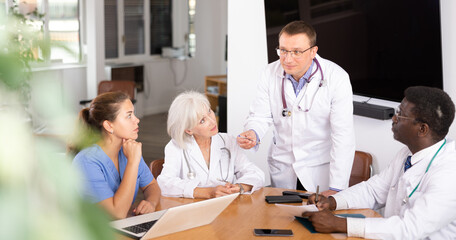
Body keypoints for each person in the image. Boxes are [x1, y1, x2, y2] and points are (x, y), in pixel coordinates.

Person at [304, 86, 456, 239]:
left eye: (401, 115)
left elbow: (410, 228)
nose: (394, 118)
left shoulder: (449, 173)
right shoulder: (407, 153)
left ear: (422, 129)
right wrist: (332, 202)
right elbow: (373, 191)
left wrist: (340, 224)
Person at [237, 20, 355, 196]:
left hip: (319, 169)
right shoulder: (269, 73)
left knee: (316, 219)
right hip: (283, 166)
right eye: (283, 50)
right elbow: (259, 116)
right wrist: (253, 132)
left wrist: (337, 187)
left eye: (297, 52)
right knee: (282, 219)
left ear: (313, 51)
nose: (287, 58)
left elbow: (343, 135)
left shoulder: (337, 78)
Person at [157, 91, 265, 199]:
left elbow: (256, 173)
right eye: (202, 121)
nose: (212, 121)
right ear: (189, 130)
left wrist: (239, 187)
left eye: (209, 112)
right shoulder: (175, 147)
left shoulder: (228, 141)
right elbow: (164, 183)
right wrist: (207, 192)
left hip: (226, 209)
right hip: (192, 211)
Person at [72, 92, 161, 219]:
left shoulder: (128, 150)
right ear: (109, 125)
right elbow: (117, 214)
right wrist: (132, 162)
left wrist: (150, 203)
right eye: (129, 116)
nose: (137, 120)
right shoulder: (86, 161)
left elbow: (151, 186)